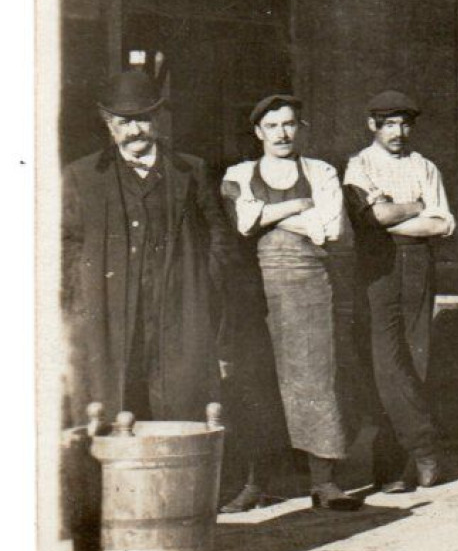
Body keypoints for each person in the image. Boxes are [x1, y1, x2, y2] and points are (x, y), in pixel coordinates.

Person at [61, 68, 231, 426]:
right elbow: (68, 242)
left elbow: (217, 232)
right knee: (112, 402)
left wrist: (203, 281)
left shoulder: (190, 171)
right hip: (108, 309)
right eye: (124, 122)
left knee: (179, 401)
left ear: (156, 119)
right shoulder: (83, 176)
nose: (134, 130)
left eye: (142, 119)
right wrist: (83, 297)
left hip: (178, 307)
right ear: (108, 123)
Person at [218, 96, 361, 512]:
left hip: (311, 288)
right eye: (273, 126)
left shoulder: (321, 171)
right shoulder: (239, 173)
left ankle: (324, 482)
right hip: (258, 292)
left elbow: (329, 228)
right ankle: (255, 483)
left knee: (316, 380)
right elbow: (240, 222)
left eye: (290, 124)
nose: (282, 133)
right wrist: (298, 206)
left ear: (301, 128)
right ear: (258, 133)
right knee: (258, 384)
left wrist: (267, 213)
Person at [343, 90, 456, 494]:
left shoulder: (425, 166)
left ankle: (398, 467)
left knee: (416, 356)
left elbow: (442, 225)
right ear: (372, 125)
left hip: (418, 265)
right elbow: (372, 218)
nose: (398, 132)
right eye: (389, 124)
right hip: (377, 268)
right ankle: (422, 450)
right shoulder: (359, 166)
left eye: (405, 124)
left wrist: (394, 213)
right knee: (385, 361)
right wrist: (414, 208)